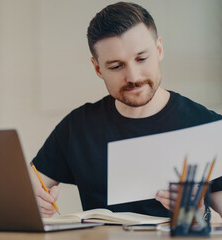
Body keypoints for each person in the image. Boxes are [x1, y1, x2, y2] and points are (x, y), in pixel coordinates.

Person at [29, 1, 222, 218]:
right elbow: (25, 192)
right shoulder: (77, 127)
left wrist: (196, 213)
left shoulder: (209, 127)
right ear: (97, 68)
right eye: (116, 66)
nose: (133, 77)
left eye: (142, 59)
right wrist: (29, 203)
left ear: (159, 49)